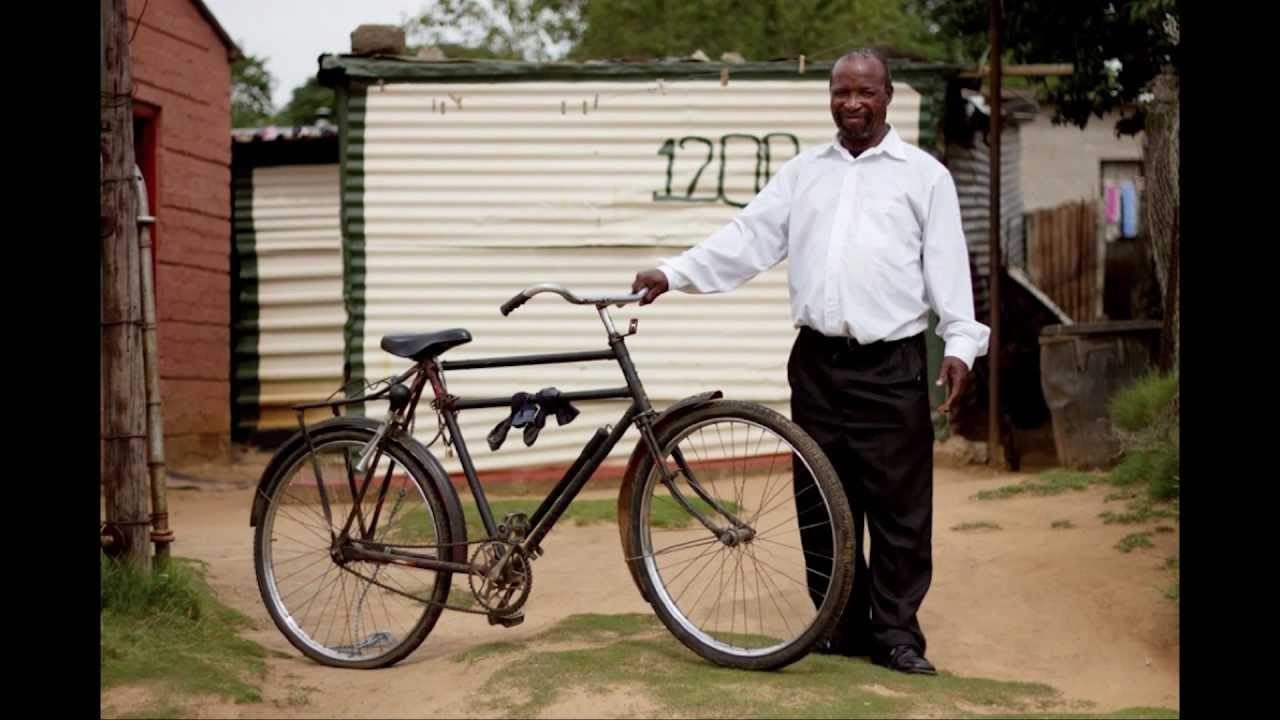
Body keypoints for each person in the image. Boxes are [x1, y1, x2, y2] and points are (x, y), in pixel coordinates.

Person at [630, 48, 990, 675]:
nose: (852, 103)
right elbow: (748, 238)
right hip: (817, 365)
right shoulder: (804, 174)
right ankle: (838, 625)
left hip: (893, 367)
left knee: (900, 511)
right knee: (821, 502)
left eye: (865, 92)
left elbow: (948, 268)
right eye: (841, 91)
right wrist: (674, 272)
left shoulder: (924, 176)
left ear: (887, 97)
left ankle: (896, 636)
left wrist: (960, 344)